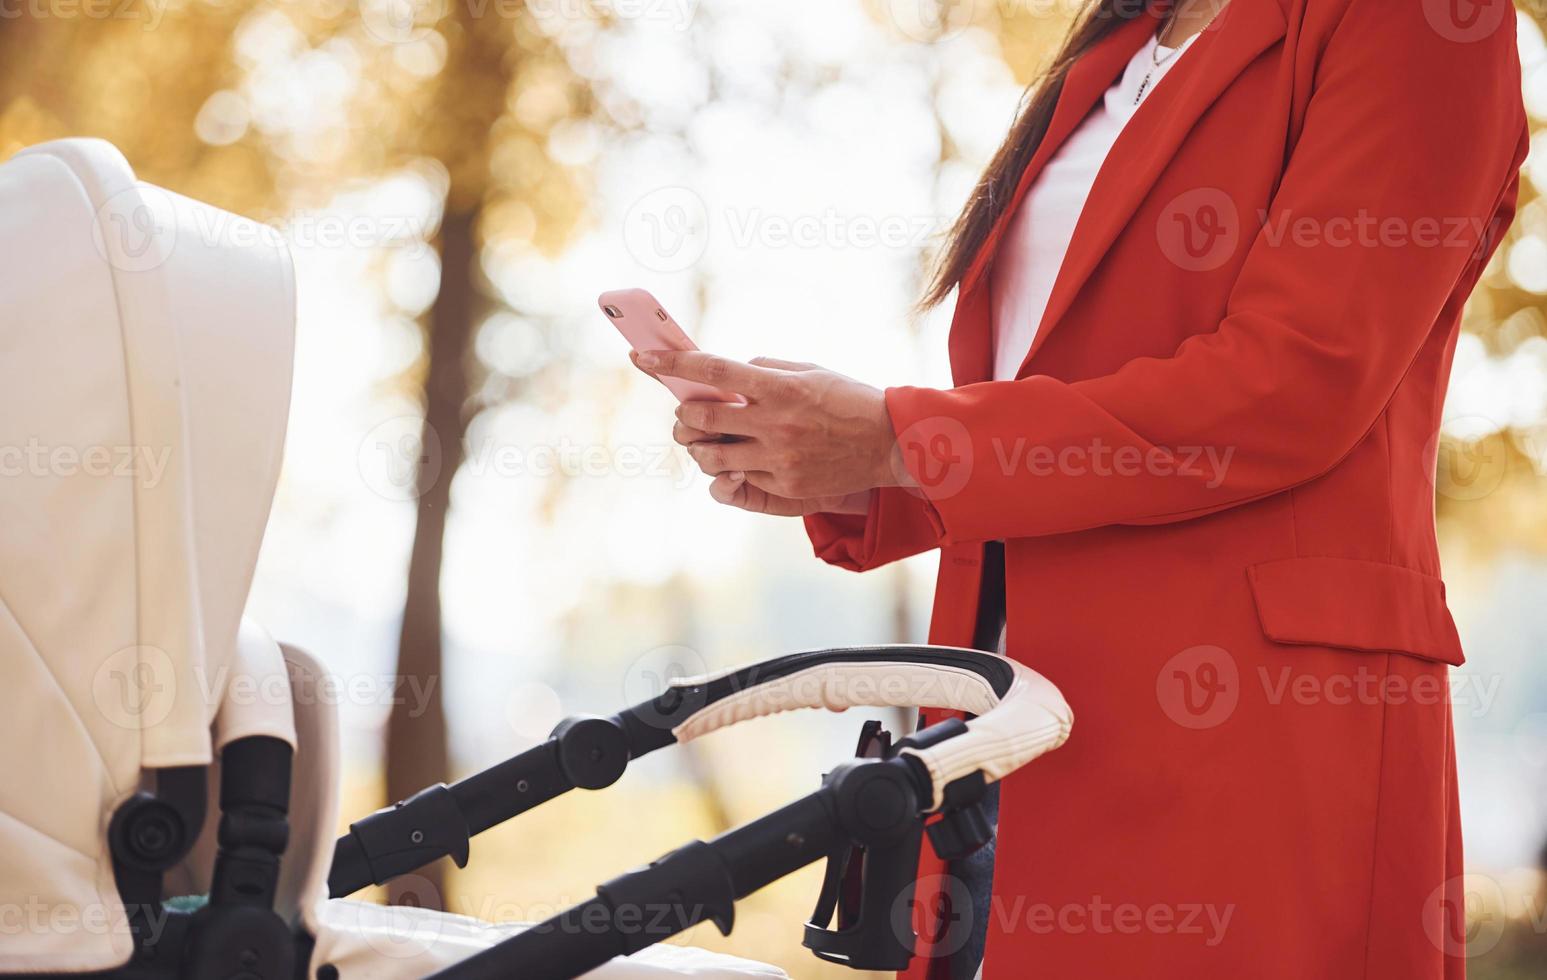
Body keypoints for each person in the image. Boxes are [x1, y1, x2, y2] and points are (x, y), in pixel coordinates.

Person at [635, 0, 1528, 975]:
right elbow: (1053, 393)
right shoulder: (1111, 45)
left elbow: (1292, 383)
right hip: (1008, 720)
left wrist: (899, 438)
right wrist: (857, 470)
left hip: (1250, 736)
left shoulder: (1416, 21)